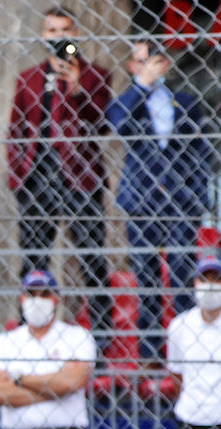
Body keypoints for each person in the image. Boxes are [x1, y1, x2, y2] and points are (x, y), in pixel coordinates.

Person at [7, 7, 113, 336]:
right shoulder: (28, 77)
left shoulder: (96, 75)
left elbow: (102, 123)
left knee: (92, 259)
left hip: (80, 177)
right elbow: (15, 131)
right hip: (37, 175)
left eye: (65, 30)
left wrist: (78, 89)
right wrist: (18, 176)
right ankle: (31, 328)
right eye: (52, 31)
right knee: (34, 257)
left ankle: (102, 334)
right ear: (43, 36)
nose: (59, 37)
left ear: (76, 34)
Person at [108, 40, 211, 362]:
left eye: (152, 61)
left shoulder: (184, 101)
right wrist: (141, 85)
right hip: (141, 201)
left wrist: (197, 193)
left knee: (182, 273)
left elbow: (200, 150)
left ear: (165, 64)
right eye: (140, 62)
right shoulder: (129, 102)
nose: (147, 67)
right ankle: (151, 351)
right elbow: (118, 123)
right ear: (132, 66)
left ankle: (187, 348)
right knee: (146, 275)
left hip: (180, 201)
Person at [0, 269, 96, 429]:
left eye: (45, 294)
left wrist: (19, 379)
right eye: (30, 294)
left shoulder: (78, 337)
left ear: (57, 299)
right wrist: (55, 392)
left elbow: (71, 382)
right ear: (21, 299)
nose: (37, 300)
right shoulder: (3, 341)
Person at [167, 257, 221, 429]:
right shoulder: (179, 326)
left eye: (217, 279)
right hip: (189, 418)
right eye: (204, 279)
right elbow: (176, 374)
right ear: (194, 284)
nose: (210, 286)